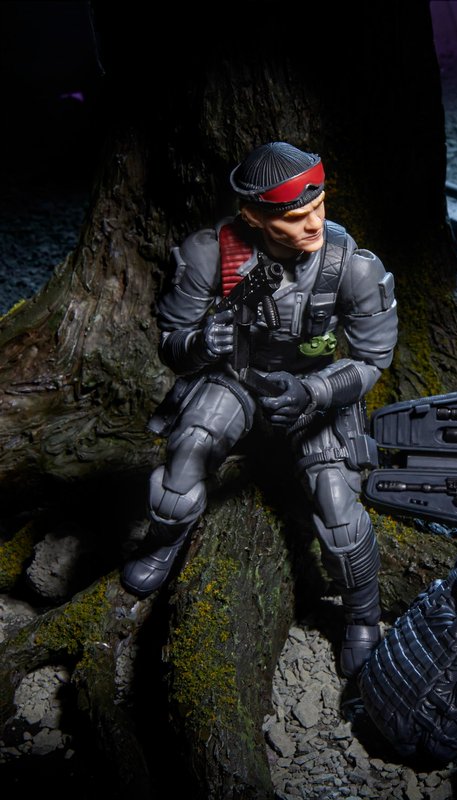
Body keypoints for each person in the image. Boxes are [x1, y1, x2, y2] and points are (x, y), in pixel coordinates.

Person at [121, 142, 398, 677]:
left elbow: (371, 360)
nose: (313, 224)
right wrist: (202, 343)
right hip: (235, 380)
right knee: (186, 457)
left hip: (312, 388)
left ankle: (363, 615)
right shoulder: (211, 254)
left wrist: (313, 393)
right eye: (295, 217)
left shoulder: (353, 266)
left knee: (338, 508)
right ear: (252, 216)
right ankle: (163, 543)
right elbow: (172, 342)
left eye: (318, 207)